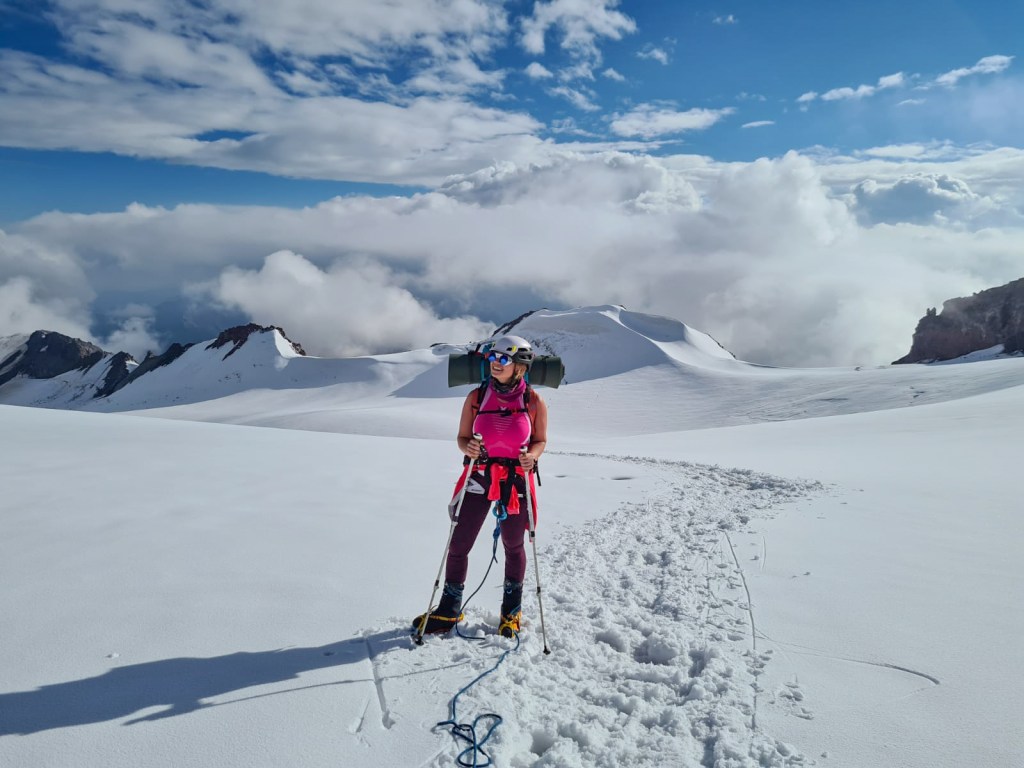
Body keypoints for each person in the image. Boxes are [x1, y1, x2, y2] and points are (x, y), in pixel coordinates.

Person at [414, 335, 548, 638]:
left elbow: (540, 440)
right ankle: (449, 610)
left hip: (514, 480)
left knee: (514, 545)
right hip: (480, 474)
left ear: (519, 366)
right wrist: (468, 449)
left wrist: (533, 457)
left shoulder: (534, 402)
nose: (495, 363)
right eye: (492, 358)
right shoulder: (476, 397)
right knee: (460, 543)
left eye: (503, 359)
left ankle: (511, 613)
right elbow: (462, 437)